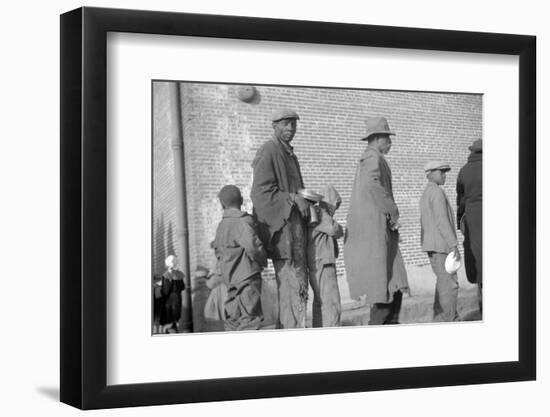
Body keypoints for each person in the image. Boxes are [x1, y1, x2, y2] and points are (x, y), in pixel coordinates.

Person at [344, 116, 409, 325]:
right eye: (387, 138)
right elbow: (373, 185)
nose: (390, 143)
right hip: (377, 233)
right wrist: (392, 211)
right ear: (378, 138)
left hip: (382, 232)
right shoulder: (372, 158)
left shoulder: (374, 158)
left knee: (392, 289)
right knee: (383, 292)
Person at [251, 108, 311, 328]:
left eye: (294, 124)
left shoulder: (289, 154)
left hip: (296, 231)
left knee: (299, 284)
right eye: (285, 124)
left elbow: (296, 192)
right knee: (289, 285)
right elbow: (260, 193)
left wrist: (306, 198)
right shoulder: (268, 151)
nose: (291, 128)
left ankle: (298, 328)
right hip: (283, 233)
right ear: (274, 126)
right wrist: (293, 198)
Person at [213, 184, 267, 331]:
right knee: (249, 319)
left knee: (233, 319)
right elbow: (254, 247)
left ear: (222, 204)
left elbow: (218, 253)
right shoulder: (241, 222)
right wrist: (262, 262)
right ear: (241, 200)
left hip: (230, 281)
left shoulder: (221, 226)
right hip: (247, 279)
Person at [420, 161, 461, 322]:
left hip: (433, 245)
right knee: (449, 286)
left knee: (442, 284)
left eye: (445, 172)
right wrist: (453, 244)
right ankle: (449, 320)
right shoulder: (436, 192)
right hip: (442, 246)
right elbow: (442, 220)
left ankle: (439, 320)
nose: (444, 175)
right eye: (441, 172)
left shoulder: (427, 193)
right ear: (430, 173)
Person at [307, 185, 344, 327]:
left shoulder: (315, 214)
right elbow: (336, 230)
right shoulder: (321, 213)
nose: (335, 208)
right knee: (331, 303)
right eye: (336, 204)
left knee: (320, 303)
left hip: (317, 263)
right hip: (323, 263)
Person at [457, 139, 483, 312]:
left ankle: (483, 305)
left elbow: (460, 199)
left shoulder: (464, 171)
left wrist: (461, 221)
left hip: (473, 221)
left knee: (478, 262)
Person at [159, 255, 186, 333]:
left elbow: (165, 291)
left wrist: (160, 289)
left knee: (169, 321)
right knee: (175, 319)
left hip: (169, 302)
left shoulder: (166, 275)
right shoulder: (179, 274)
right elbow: (183, 287)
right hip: (178, 299)